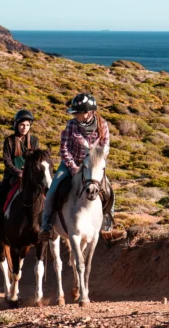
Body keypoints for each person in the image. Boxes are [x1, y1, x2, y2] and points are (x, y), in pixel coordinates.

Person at [38, 93, 123, 242]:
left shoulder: (102, 125)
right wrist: (73, 167)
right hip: (71, 163)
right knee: (53, 189)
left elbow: (105, 147)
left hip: (92, 165)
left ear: (89, 112)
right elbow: (64, 149)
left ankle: (108, 226)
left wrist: (93, 163)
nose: (75, 115)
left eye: (78, 113)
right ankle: (47, 225)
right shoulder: (71, 125)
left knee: (109, 191)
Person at [0, 110, 39, 242]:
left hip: (29, 177)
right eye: (22, 125)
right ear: (16, 125)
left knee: (45, 194)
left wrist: (28, 172)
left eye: (27, 125)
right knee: (0, 198)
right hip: (11, 177)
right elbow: (7, 162)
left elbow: (36, 159)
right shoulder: (9, 141)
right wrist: (18, 172)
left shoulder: (34, 141)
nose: (24, 128)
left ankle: (46, 225)